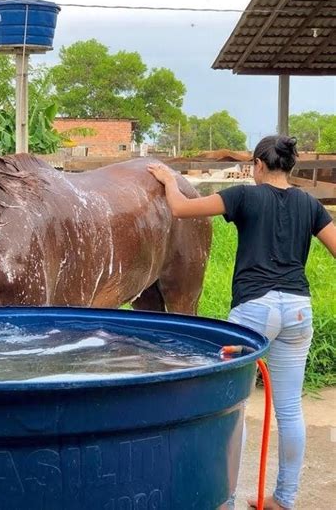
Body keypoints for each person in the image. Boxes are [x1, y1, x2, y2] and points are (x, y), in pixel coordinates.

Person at [148, 135, 336, 510]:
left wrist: (169, 180)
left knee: (234, 405)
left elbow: (182, 209)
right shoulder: (309, 203)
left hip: (254, 311)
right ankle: (284, 499)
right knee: (289, 409)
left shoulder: (244, 196)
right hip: (299, 310)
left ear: (259, 165)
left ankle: (226, 498)